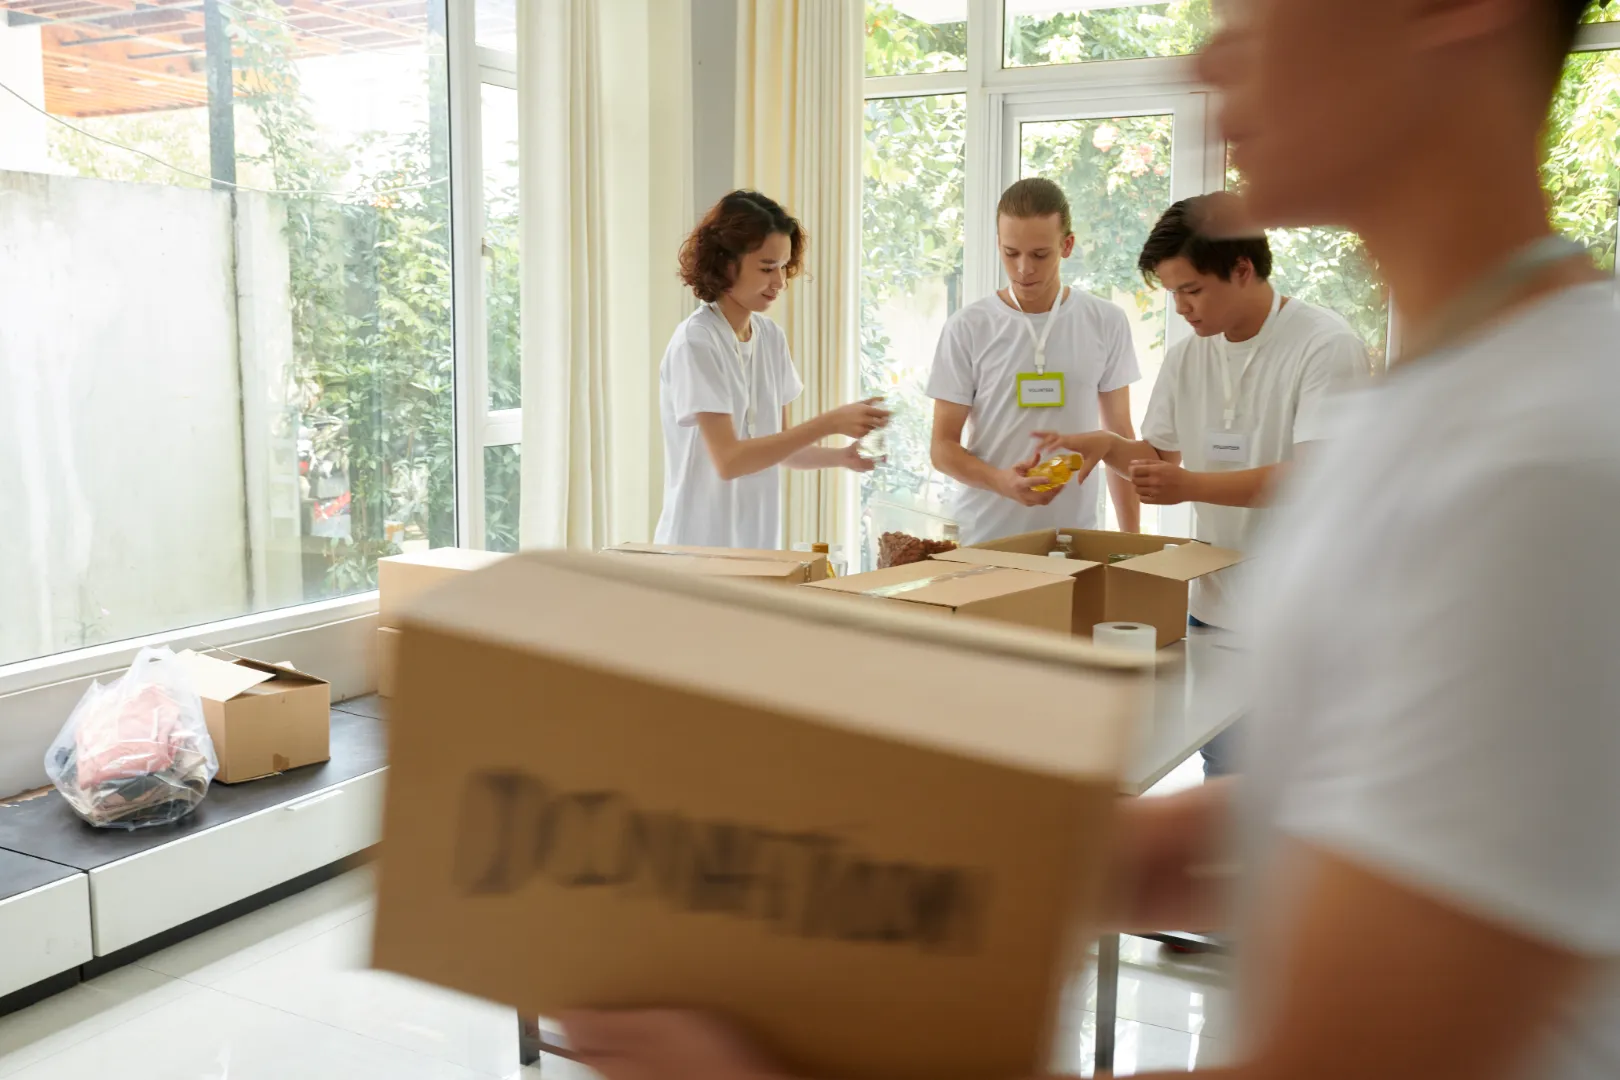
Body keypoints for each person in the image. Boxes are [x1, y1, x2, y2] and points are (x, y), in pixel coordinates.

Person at [565, 0, 1620, 1077]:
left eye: (1257, 12)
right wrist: (896, 879)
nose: (1211, 57)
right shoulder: (1453, 403)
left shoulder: (1542, 461)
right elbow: (1338, 806)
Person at [1036, 192, 1370, 776]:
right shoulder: (1187, 357)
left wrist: (1189, 484)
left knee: (1288, 801)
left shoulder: (1324, 345)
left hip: (1303, 620)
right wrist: (1106, 445)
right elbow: (1159, 459)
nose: (1182, 308)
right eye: (1172, 294)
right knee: (1224, 783)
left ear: (1242, 270)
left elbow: (1315, 479)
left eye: (1191, 290)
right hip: (1214, 612)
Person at [654, 191, 890, 550]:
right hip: (695, 551)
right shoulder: (696, 342)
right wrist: (830, 422)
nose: (779, 282)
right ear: (725, 263)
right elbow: (730, 460)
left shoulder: (770, 338)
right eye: (767, 268)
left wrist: (841, 457)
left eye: (783, 267)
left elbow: (778, 445)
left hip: (756, 547)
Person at [927, 178, 1142, 545]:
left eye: (1040, 254)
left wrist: (1133, 543)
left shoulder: (1106, 321)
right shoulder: (968, 327)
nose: (1024, 268)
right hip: (985, 539)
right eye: (1011, 253)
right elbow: (942, 448)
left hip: (1074, 541)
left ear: (1067, 245)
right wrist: (1001, 481)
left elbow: (1120, 438)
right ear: (998, 243)